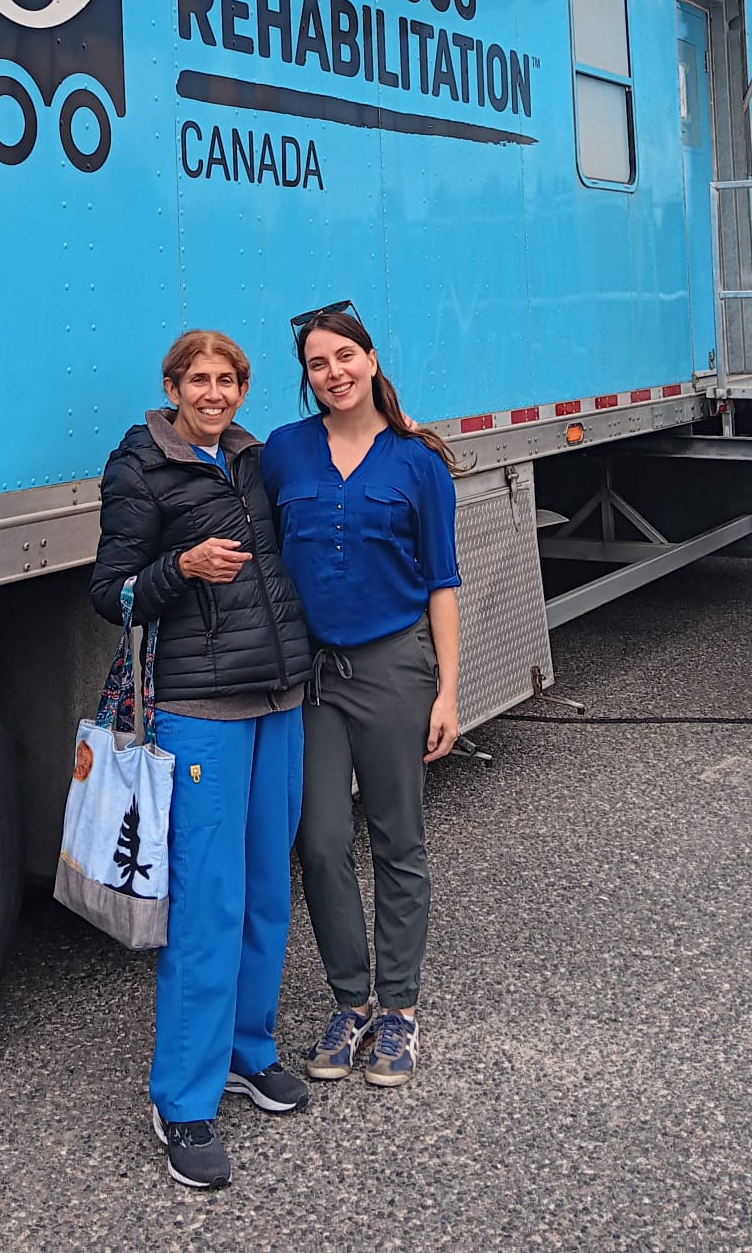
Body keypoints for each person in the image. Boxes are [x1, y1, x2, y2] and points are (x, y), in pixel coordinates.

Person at [90, 328, 312, 1190]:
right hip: (198, 711)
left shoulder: (254, 459)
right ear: (173, 385)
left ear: (242, 390)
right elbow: (111, 594)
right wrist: (180, 565)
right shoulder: (141, 465)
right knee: (208, 904)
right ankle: (182, 1100)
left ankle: (248, 1049)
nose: (213, 394)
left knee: (265, 887)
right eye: (199, 380)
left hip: (279, 698)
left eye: (227, 381)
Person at [261, 300, 461, 1089]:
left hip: (393, 666)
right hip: (314, 677)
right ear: (307, 379)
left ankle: (400, 1010)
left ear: (371, 362)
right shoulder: (283, 452)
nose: (334, 373)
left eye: (345, 356)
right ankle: (351, 1001)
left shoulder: (418, 463)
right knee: (318, 842)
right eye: (318, 363)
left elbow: (442, 583)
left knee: (397, 839)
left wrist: (449, 690)